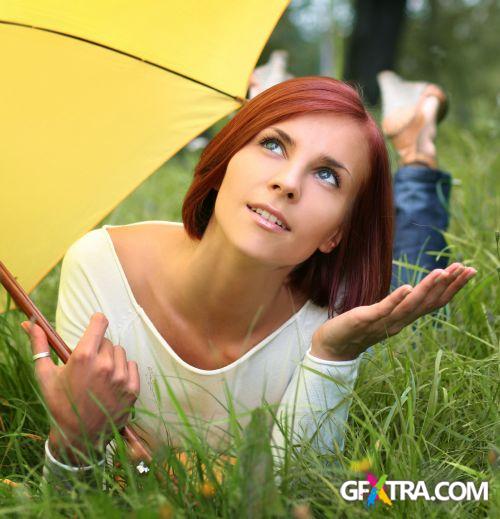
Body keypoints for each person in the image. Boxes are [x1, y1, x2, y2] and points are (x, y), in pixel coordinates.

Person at [22, 75, 475, 485]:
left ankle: (415, 154)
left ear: (337, 233)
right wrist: (71, 443)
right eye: (274, 145)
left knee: (420, 295)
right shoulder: (101, 267)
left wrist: (334, 354)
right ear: (223, 164)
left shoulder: (341, 320)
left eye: (327, 175)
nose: (287, 183)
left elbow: (298, 493)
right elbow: (90, 492)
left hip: (342, 287)